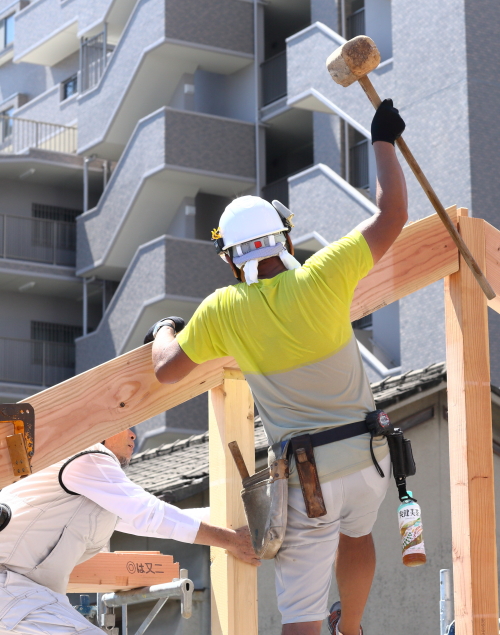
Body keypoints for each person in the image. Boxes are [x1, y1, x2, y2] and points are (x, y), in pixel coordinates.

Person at [148, 99, 407, 635]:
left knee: (300, 614)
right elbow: (392, 216)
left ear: (229, 258)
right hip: (369, 460)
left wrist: (164, 331)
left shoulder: (224, 310)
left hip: (308, 478)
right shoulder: (324, 274)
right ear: (286, 237)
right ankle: (352, 629)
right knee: (357, 538)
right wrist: (382, 138)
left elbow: (167, 371)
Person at [0, 428, 259, 634]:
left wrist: (241, 520)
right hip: (12, 588)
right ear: (99, 427)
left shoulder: (92, 488)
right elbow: (149, 514)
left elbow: (150, 518)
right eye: (125, 426)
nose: (133, 434)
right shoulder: (89, 455)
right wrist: (231, 540)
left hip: (23, 593)